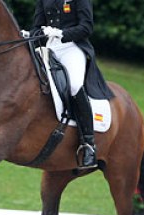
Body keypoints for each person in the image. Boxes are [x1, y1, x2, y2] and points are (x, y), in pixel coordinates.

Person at [30, 0, 114, 168]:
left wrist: (61, 33)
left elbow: (86, 27)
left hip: (71, 47)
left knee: (75, 86)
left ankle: (88, 144)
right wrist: (35, 33)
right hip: (49, 48)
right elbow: (37, 26)